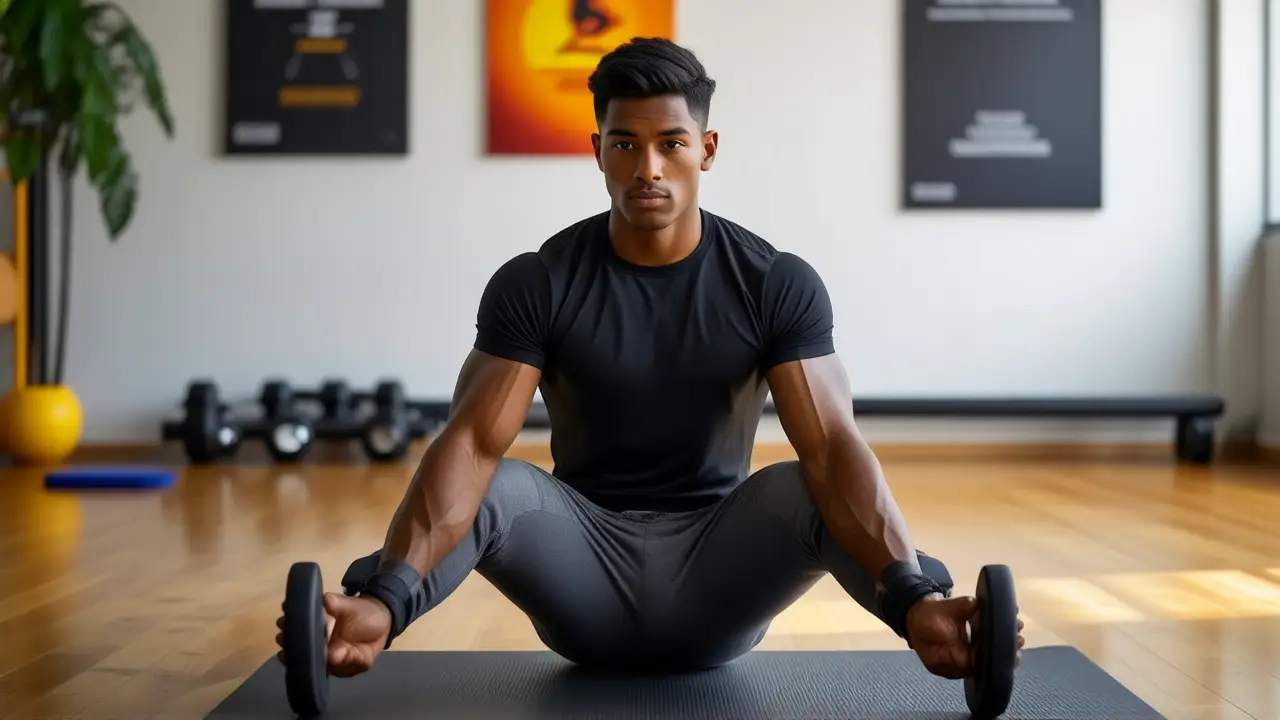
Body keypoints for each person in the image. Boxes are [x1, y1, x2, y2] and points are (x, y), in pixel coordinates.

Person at [276, 37, 1024, 679]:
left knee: (805, 483)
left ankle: (927, 613)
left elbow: (833, 449)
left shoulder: (773, 283)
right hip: (582, 575)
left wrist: (912, 592)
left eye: (670, 142)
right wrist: (389, 594)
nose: (649, 169)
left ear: (707, 148)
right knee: (498, 483)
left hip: (719, 578)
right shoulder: (538, 281)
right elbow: (470, 446)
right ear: (596, 149)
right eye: (625, 143)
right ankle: (369, 614)